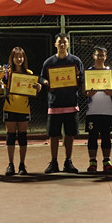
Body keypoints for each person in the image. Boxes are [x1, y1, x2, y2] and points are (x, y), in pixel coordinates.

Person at [39, 33, 84, 174]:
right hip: (55, 104)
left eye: (65, 42)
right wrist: (46, 82)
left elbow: (82, 78)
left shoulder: (75, 61)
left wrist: (78, 77)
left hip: (71, 103)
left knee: (70, 135)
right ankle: (54, 162)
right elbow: (41, 78)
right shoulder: (49, 62)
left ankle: (68, 161)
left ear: (68, 44)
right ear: (55, 44)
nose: (62, 44)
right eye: (60, 42)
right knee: (53, 135)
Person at [0, 46, 41, 176]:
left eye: (21, 56)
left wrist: (38, 88)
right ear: (12, 58)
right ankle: (10, 164)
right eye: (16, 57)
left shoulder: (29, 73)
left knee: (23, 137)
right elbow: (1, 90)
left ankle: (22, 164)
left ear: (24, 58)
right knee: (10, 136)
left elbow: (33, 90)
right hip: (9, 108)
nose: (19, 59)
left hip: (23, 108)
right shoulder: (6, 73)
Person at [83, 46, 112, 174]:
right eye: (98, 55)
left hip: (106, 110)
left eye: (102, 55)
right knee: (92, 137)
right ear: (94, 56)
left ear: (106, 57)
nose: (100, 57)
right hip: (92, 110)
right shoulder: (89, 72)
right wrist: (88, 93)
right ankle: (92, 162)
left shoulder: (110, 72)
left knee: (106, 136)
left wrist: (111, 92)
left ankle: (107, 162)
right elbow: (83, 90)